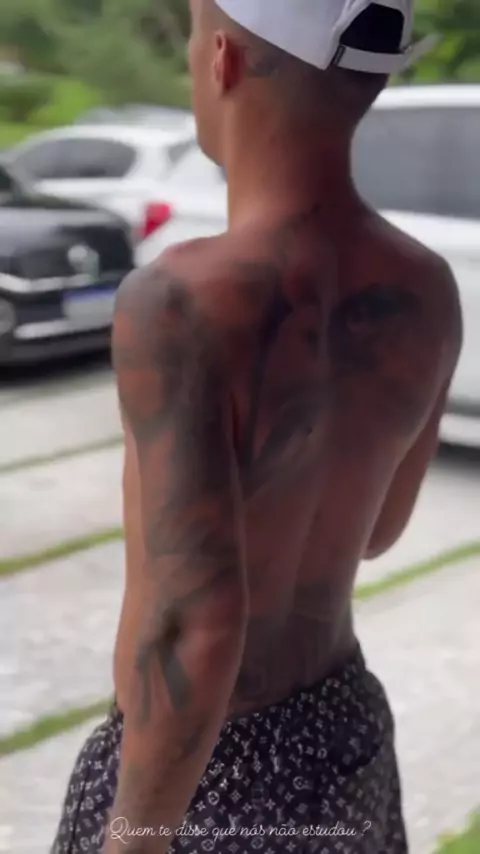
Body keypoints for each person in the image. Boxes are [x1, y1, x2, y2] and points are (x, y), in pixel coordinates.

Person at [51, 1, 462, 852]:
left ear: (223, 59)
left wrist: (134, 837)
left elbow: (193, 628)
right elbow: (378, 529)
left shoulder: (180, 301)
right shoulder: (426, 287)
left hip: (203, 777)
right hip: (343, 736)